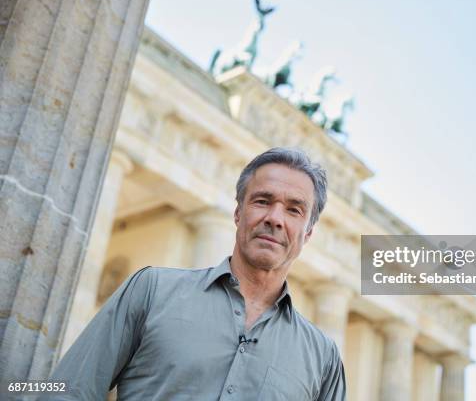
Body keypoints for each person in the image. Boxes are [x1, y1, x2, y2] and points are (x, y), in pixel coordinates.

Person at [44, 147, 346, 400]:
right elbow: (68, 392)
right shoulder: (151, 290)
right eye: (263, 201)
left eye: (294, 210)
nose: (275, 218)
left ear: (307, 233)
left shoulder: (323, 357)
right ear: (239, 212)